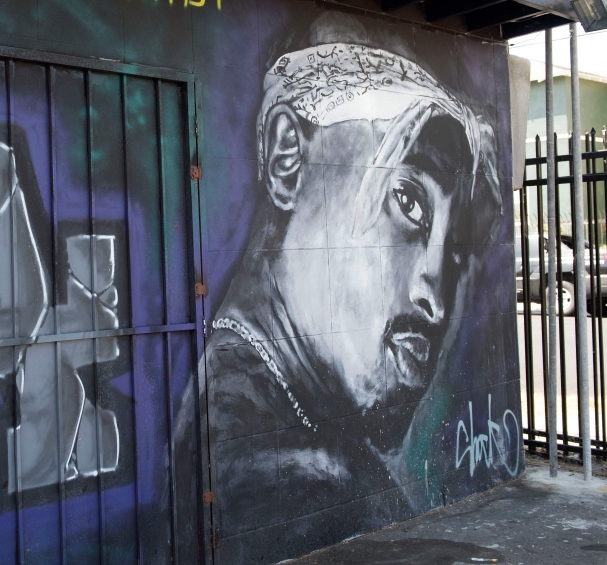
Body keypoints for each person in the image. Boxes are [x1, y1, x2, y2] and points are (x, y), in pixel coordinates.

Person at [205, 35, 502, 549]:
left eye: (454, 245)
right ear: (287, 160)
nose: (436, 291)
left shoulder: (283, 419)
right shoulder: (290, 481)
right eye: (408, 201)